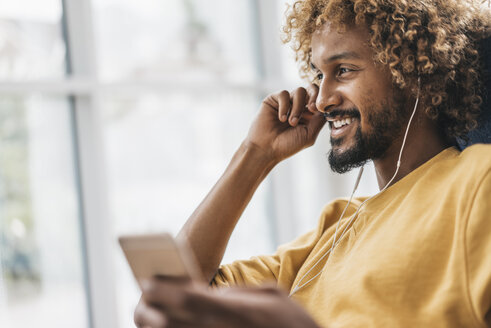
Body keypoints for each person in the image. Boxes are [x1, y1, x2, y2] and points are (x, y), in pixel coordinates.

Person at [134, 0, 491, 327]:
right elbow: (172, 297)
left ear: (413, 70)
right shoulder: (334, 228)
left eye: (344, 70)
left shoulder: (477, 181)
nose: (321, 100)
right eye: (319, 74)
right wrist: (255, 154)